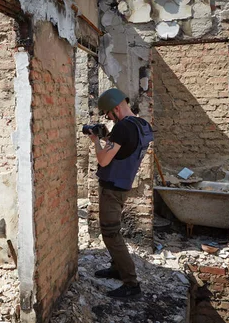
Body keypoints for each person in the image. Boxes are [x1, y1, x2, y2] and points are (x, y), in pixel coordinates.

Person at [86, 88, 153, 299]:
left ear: (116, 108)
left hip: (112, 188)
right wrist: (109, 138)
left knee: (110, 233)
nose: (109, 118)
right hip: (124, 183)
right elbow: (124, 150)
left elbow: (104, 160)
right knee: (114, 229)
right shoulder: (143, 125)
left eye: (109, 114)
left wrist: (96, 140)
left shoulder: (122, 128)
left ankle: (131, 283)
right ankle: (117, 268)